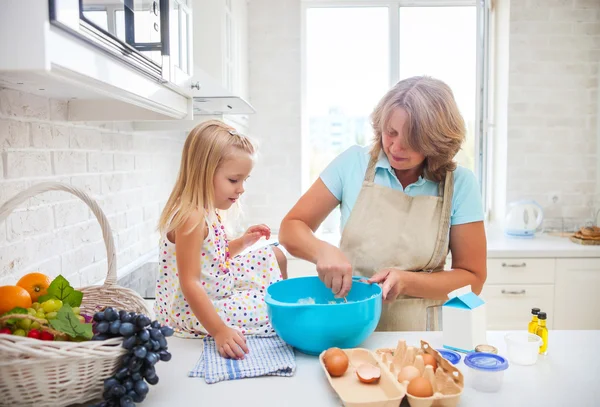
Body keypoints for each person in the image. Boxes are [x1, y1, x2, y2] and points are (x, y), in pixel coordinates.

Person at [279, 76, 487, 331]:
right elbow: (291, 227)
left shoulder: (461, 184)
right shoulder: (352, 163)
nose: (396, 147)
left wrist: (406, 281)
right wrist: (322, 250)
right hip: (350, 324)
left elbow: (473, 279)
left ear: (436, 141)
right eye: (391, 132)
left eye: (412, 140)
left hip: (420, 333)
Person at [154, 120, 287, 359]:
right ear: (203, 173)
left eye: (245, 180)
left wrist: (244, 241)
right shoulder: (191, 218)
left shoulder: (207, 210)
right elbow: (190, 283)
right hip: (192, 308)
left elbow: (214, 256)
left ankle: (284, 309)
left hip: (216, 285)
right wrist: (219, 331)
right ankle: (285, 318)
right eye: (234, 180)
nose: (241, 188)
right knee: (271, 307)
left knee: (274, 256)